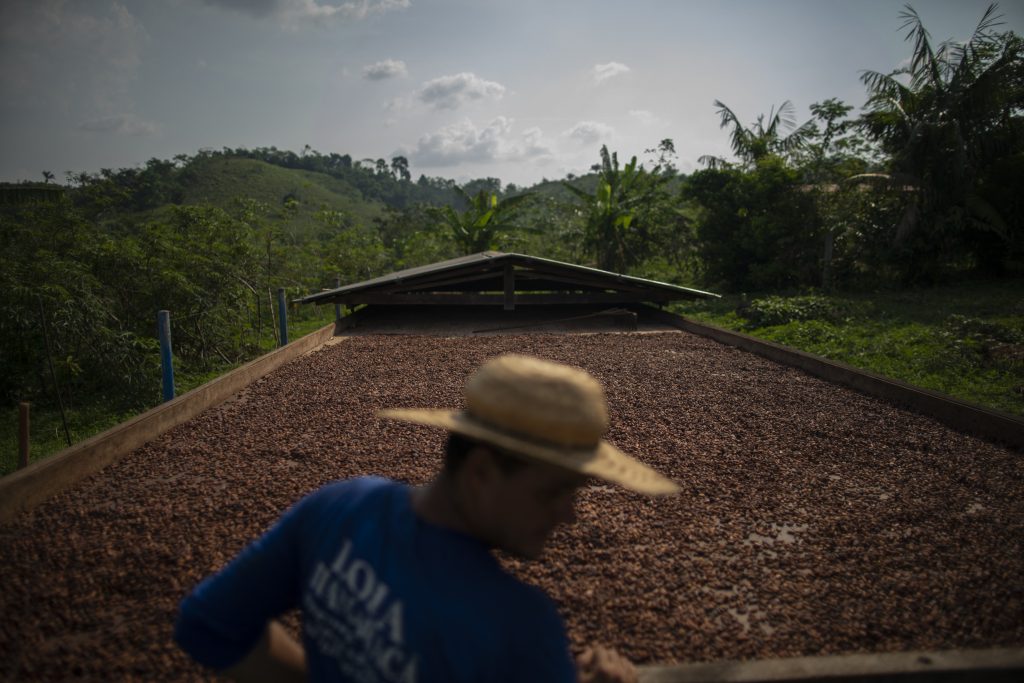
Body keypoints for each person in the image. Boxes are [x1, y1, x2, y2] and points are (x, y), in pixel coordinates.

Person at [174, 354, 680, 682]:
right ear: (481, 473)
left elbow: (210, 625)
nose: (570, 515)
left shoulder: (339, 505)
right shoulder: (519, 629)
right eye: (554, 493)